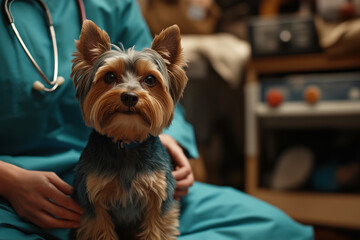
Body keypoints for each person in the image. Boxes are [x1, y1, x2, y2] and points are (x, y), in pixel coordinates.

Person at [0, 0, 314, 239]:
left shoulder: (112, 5)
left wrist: (171, 138)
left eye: (144, 84)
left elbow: (160, 78)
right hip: (13, 194)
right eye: (110, 79)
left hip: (144, 167)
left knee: (281, 229)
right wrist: (6, 180)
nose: (129, 92)